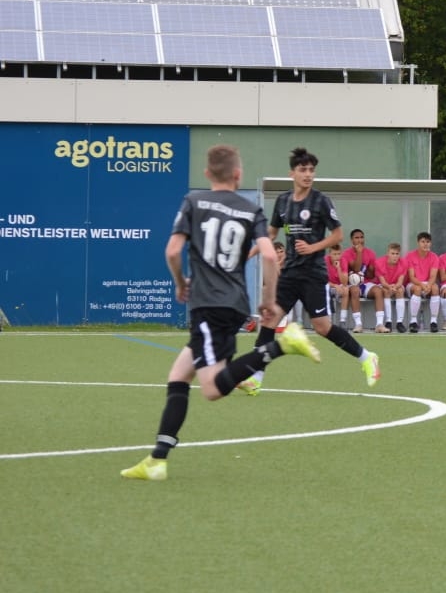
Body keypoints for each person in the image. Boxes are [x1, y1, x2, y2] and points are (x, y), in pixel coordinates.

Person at [121, 145, 321, 481]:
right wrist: (268, 301)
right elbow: (269, 256)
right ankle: (157, 459)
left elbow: (173, 250)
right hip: (234, 303)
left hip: (208, 305)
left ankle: (280, 346)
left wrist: (180, 282)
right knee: (178, 375)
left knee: (212, 389)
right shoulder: (250, 209)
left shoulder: (194, 201)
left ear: (207, 174)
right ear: (238, 175)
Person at [243, 147, 380, 392]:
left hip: (313, 274)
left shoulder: (320, 201)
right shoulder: (283, 201)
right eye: (303, 170)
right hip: (289, 273)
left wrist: (312, 247)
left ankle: (367, 357)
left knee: (322, 327)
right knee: (269, 320)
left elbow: (338, 234)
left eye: (311, 170)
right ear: (292, 173)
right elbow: (271, 233)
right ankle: (255, 379)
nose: (308, 174)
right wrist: (250, 253)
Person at [403, 232, 443, 333]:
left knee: (435, 288)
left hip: (428, 283)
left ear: (431, 243)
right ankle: (413, 322)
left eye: (428, 242)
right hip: (413, 284)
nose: (425, 244)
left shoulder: (434, 257)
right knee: (417, 289)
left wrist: (428, 285)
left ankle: (433, 322)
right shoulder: (410, 256)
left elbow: (433, 276)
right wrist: (422, 285)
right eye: (423, 241)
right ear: (418, 243)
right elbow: (412, 277)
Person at [339, 228, 379, 332]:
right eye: (356, 238)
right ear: (352, 240)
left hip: (364, 283)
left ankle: (379, 324)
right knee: (355, 290)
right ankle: (358, 324)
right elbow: (356, 269)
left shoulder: (370, 253)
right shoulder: (346, 254)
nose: (360, 240)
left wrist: (371, 269)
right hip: (350, 284)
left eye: (361, 237)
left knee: (378, 291)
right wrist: (359, 253)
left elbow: (371, 276)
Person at [372, 242, 409, 333]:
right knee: (386, 291)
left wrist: (395, 287)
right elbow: (383, 282)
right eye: (392, 253)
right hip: (384, 285)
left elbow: (400, 281)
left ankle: (399, 322)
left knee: (400, 291)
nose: (395, 256)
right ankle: (388, 321)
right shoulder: (379, 263)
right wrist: (389, 287)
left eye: (397, 254)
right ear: (387, 253)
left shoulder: (404, 263)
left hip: (396, 285)